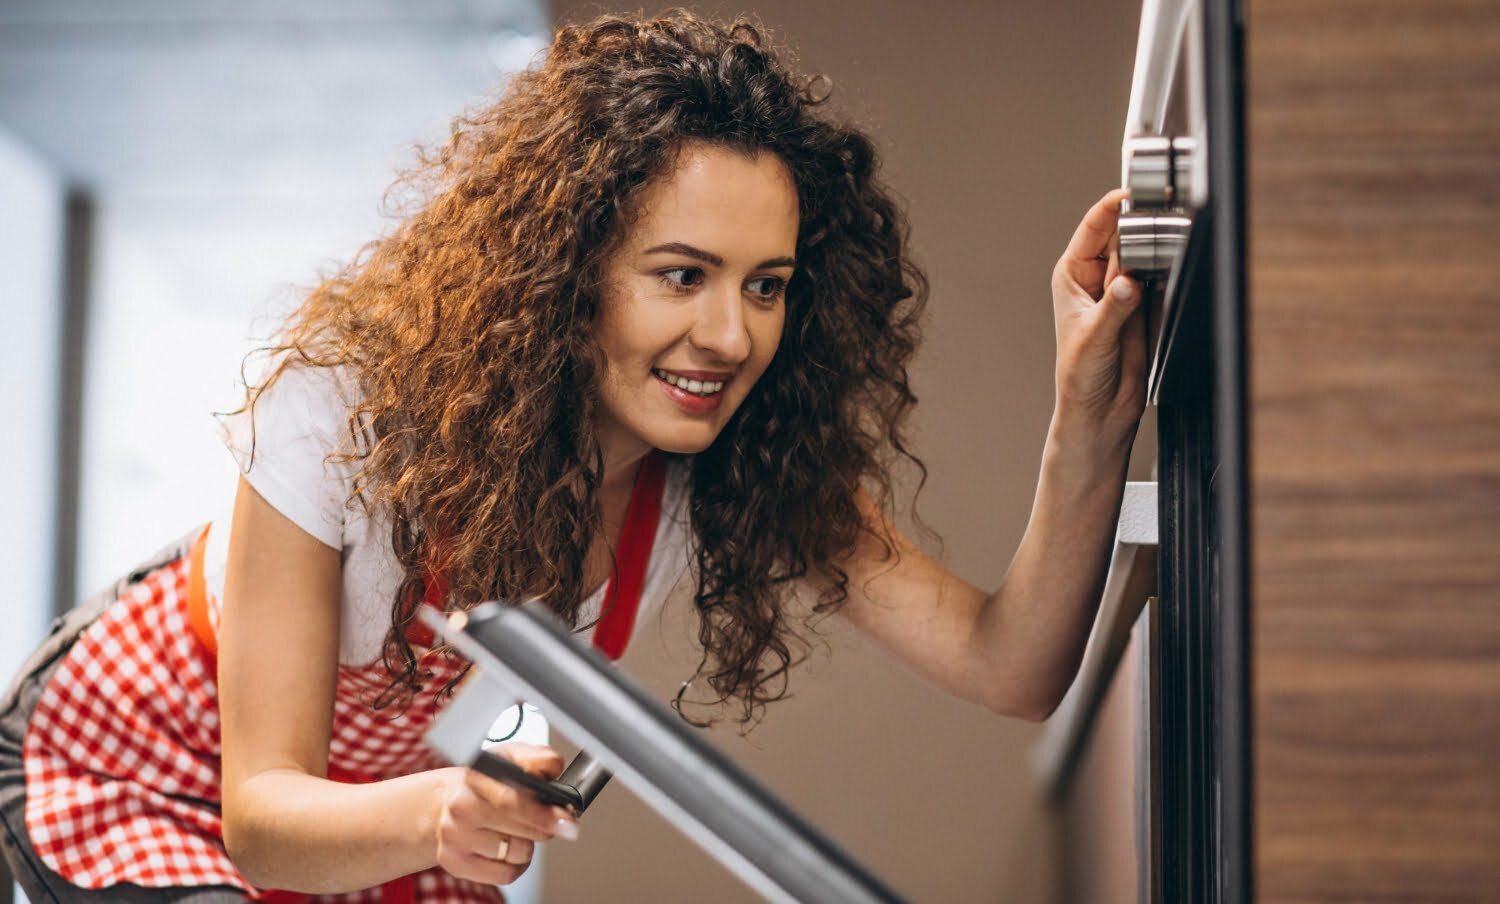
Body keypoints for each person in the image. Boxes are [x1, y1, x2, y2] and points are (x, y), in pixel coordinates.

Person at [0, 9, 1145, 904]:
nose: (731, 336)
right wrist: (447, 808)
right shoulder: (340, 413)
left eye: (767, 286)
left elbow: (1012, 665)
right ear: (570, 270)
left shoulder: (724, 474)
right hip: (132, 760)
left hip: (365, 807)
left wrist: (1086, 413)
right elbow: (261, 815)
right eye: (682, 275)